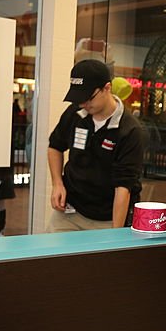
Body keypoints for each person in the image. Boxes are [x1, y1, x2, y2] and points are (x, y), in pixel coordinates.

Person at [47, 59, 145, 231]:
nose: (83, 104)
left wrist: (116, 233)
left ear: (106, 88)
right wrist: (57, 184)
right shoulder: (75, 113)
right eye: (78, 99)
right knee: (51, 255)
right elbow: (55, 146)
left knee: (99, 258)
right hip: (70, 211)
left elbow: (123, 188)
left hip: (108, 217)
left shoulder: (130, 130)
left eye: (88, 98)